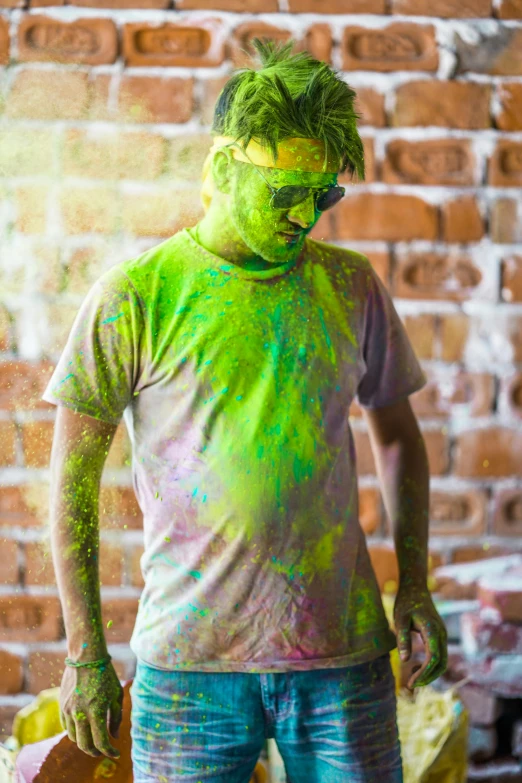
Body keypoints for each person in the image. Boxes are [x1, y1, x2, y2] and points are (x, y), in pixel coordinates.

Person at [45, 40, 447, 783]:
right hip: (189, 669)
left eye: (325, 194)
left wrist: (415, 582)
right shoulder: (138, 295)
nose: (306, 214)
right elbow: (73, 478)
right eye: (286, 189)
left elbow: (397, 437)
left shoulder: (349, 286)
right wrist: (84, 651)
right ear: (224, 169)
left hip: (343, 659)